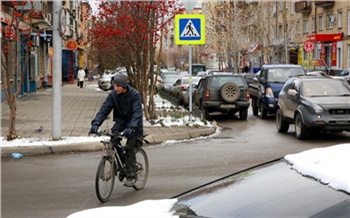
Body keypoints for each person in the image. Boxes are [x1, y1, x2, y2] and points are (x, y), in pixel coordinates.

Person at [90, 74, 143, 187]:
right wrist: (95, 124)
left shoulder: (134, 95)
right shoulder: (113, 96)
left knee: (129, 148)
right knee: (113, 141)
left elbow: (137, 113)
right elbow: (104, 109)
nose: (116, 88)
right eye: (115, 85)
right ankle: (120, 162)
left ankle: (131, 175)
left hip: (135, 125)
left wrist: (132, 127)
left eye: (118, 86)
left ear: (124, 86)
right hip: (121, 123)